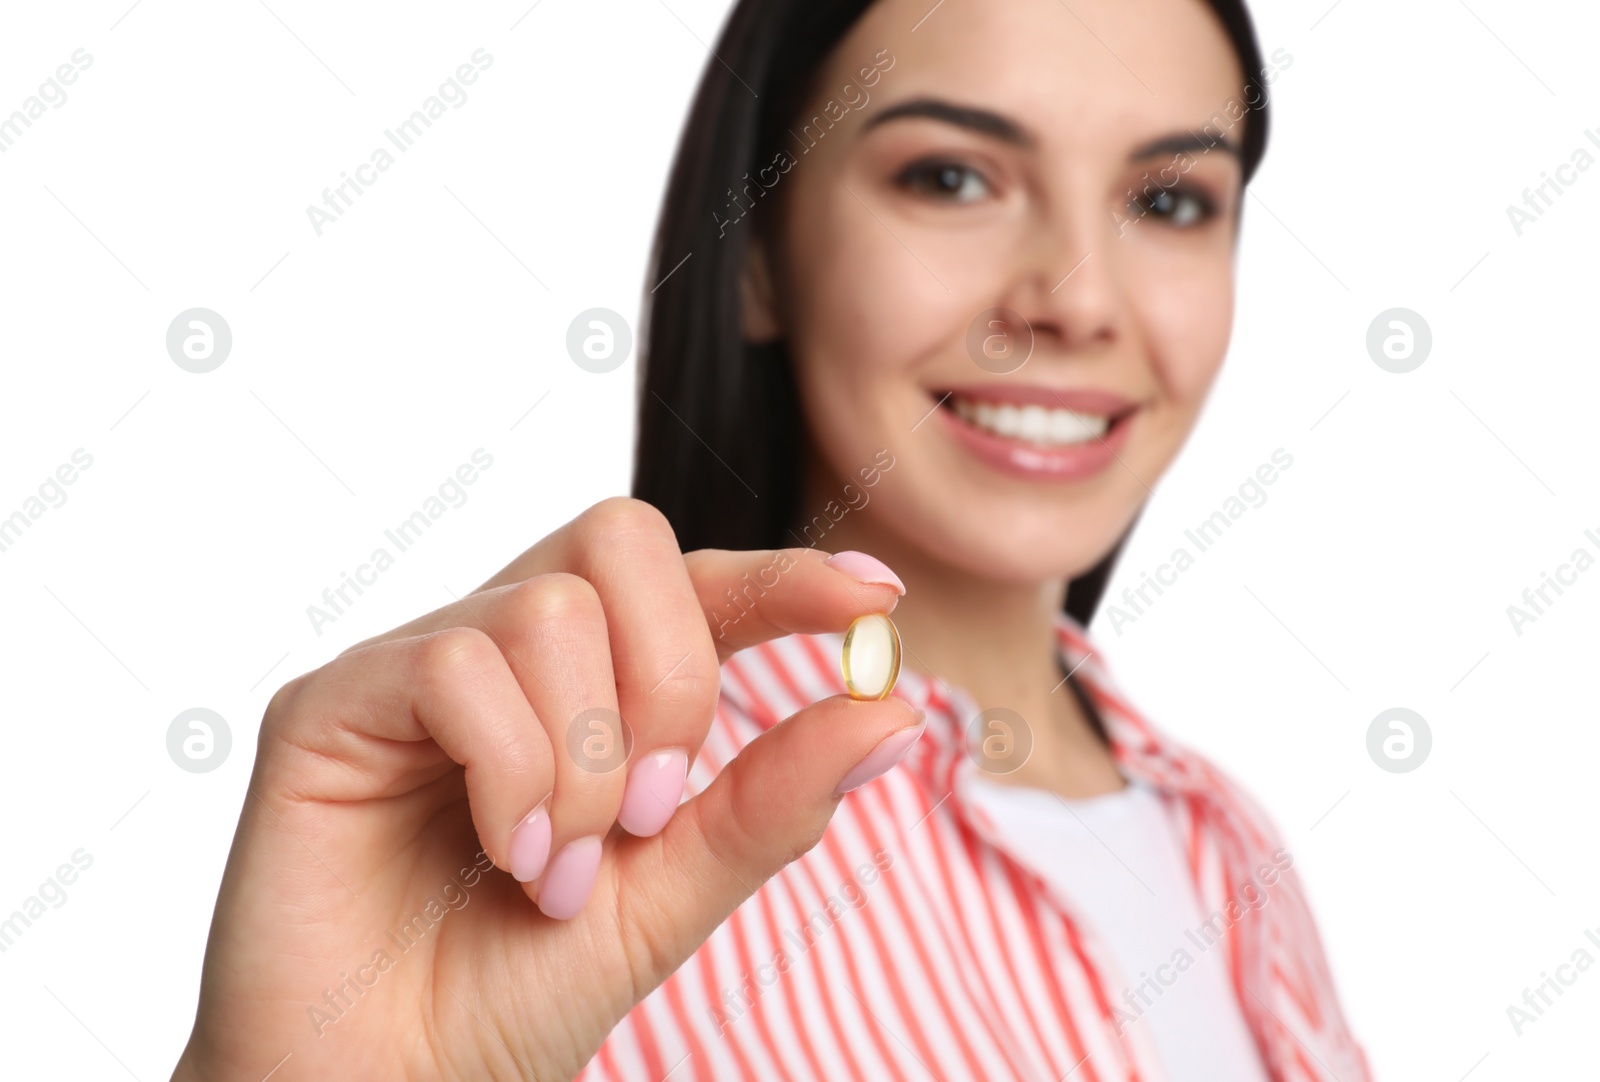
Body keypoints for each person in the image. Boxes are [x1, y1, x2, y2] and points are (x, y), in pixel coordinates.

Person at [172, 0, 1372, 1078]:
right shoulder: (535, 837)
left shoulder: (1227, 835)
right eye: (951, 177)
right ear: (756, 253)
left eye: (1167, 201)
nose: (1075, 298)